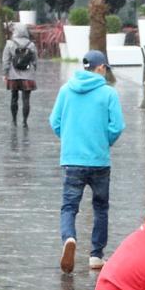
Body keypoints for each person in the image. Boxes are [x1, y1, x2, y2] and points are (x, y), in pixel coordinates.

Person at [49, 50, 125, 274]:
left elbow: (55, 121)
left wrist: (70, 138)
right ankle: (96, 255)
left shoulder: (66, 90)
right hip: (99, 161)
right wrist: (103, 142)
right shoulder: (108, 93)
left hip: (72, 160)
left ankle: (69, 238)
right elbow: (117, 126)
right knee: (100, 208)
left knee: (69, 206)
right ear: (100, 68)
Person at [2, 24, 38, 127]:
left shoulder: (10, 43)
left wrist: (5, 74)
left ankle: (14, 120)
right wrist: (34, 69)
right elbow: (35, 60)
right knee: (26, 99)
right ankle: (24, 121)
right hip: (28, 76)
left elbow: (6, 61)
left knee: (14, 97)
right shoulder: (31, 45)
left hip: (13, 75)